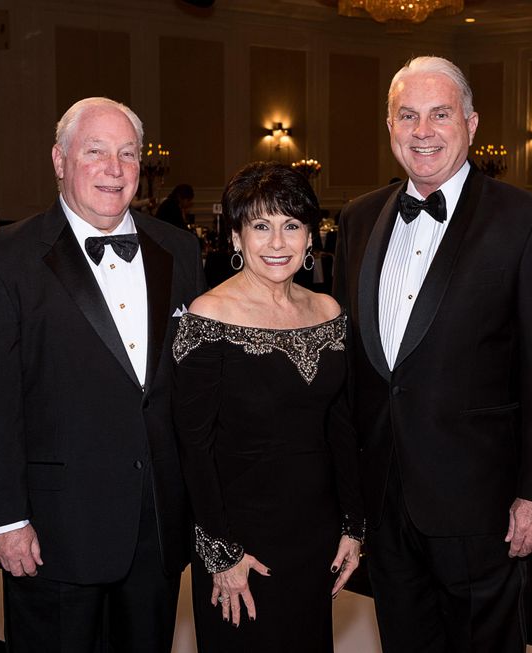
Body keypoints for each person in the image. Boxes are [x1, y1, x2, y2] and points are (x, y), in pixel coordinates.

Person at [332, 56, 532, 652]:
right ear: (390, 127)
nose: (423, 131)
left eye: (440, 114)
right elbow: (352, 365)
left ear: (471, 124)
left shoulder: (527, 224)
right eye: (408, 116)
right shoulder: (358, 218)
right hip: (386, 495)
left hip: (482, 501)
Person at [0, 97, 206, 653]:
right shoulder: (4, 258)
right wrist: (4, 521)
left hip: (157, 526)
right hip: (54, 529)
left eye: (127, 154)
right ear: (59, 160)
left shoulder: (179, 249)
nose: (114, 169)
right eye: (95, 152)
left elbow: (190, 387)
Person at [172, 161, 364, 652]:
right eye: (261, 226)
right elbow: (193, 444)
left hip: (314, 534)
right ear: (236, 238)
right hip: (241, 537)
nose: (277, 242)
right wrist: (219, 550)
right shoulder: (208, 315)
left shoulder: (328, 311)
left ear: (308, 236)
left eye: (291, 225)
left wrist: (352, 525)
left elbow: (341, 427)